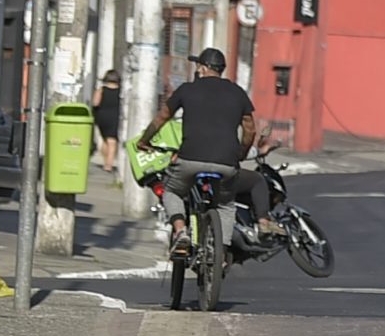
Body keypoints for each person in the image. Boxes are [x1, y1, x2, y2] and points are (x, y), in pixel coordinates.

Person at [148, 49, 275, 254]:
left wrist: (145, 141)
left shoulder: (187, 90)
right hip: (226, 163)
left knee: (171, 191)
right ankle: (221, 253)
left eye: (198, 66)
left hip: (189, 159)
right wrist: (241, 153)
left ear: (203, 68)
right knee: (225, 205)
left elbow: (162, 117)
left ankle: (180, 232)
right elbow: (250, 129)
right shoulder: (237, 92)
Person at [91, 69, 123, 172]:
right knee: (112, 141)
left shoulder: (101, 90)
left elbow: (95, 103)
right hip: (115, 116)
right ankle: (108, 165)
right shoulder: (121, 92)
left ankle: (106, 161)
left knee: (106, 140)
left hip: (102, 116)